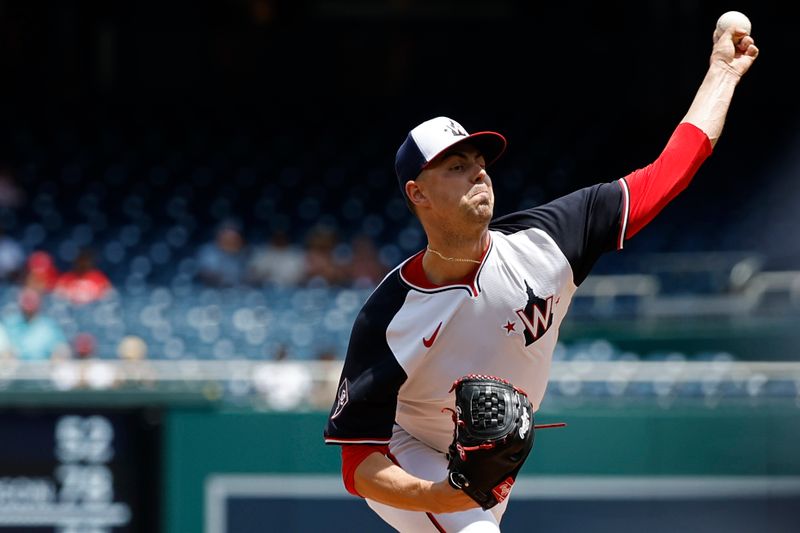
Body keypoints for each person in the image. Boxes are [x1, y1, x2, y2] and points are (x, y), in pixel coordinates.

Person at [323, 26, 759, 532]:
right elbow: (358, 465)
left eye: (481, 163)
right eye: (457, 165)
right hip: (410, 455)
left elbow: (670, 170)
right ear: (418, 194)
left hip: (485, 467)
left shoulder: (546, 242)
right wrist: (443, 495)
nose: (478, 173)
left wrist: (722, 73)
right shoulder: (389, 315)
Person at [3, 288, 70, 361]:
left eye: (31, 300)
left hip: (43, 369)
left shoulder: (49, 326)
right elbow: (4, 346)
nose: (28, 304)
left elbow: (61, 349)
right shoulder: (10, 323)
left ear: (39, 302)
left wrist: (58, 356)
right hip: (16, 369)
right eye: (26, 300)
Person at [195, 217, 248, 287]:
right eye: (227, 236)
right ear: (219, 235)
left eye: (234, 237)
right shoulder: (208, 252)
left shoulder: (244, 253)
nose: (230, 240)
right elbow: (205, 274)